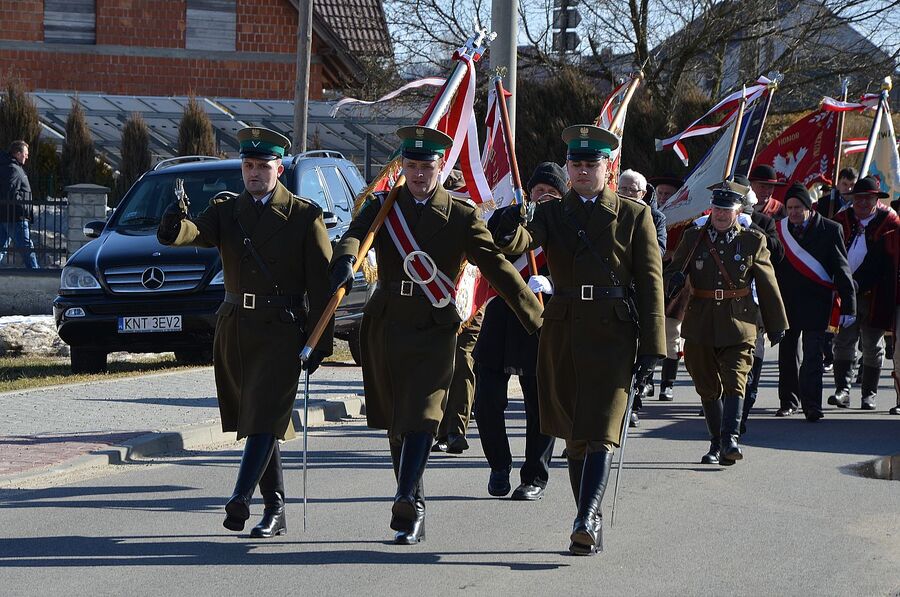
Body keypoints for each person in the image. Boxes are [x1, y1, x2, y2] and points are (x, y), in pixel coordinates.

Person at [328, 125, 543, 545]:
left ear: (440, 166)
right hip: (387, 323)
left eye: (426, 167)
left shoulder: (462, 216)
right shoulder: (384, 204)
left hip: (435, 325)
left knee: (424, 415)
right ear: (402, 167)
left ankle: (406, 496)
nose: (419, 174)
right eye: (411, 166)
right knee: (396, 423)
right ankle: (414, 509)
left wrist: (537, 320)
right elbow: (355, 234)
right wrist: (345, 258)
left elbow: (498, 268)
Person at [491, 124, 665, 555]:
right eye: (577, 164)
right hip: (563, 330)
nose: (584, 171)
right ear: (568, 167)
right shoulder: (552, 212)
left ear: (608, 168)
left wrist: (653, 348)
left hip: (613, 332)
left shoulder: (634, 215)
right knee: (574, 434)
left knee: (602, 429)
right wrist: (510, 219)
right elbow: (519, 242)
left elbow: (650, 282)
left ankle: (585, 517)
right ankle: (588, 513)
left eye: (592, 164)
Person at [157, 126, 333, 538]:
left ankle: (241, 498)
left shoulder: (305, 216)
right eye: (248, 165)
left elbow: (322, 284)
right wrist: (172, 224)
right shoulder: (227, 209)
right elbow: (196, 233)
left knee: (264, 417)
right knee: (259, 419)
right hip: (236, 329)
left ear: (279, 169)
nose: (254, 173)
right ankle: (276, 507)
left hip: (282, 330)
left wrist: (318, 342)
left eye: (263, 166)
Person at [665, 183, 787, 466]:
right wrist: (672, 279)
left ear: (738, 210)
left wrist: (775, 322)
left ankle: (730, 439)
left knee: (735, 381)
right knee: (707, 386)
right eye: (717, 208)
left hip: (739, 322)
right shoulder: (694, 237)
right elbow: (676, 267)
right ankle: (716, 441)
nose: (721, 214)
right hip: (700, 323)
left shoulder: (752, 241)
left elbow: (767, 283)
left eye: (726, 209)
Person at [474, 161, 567, 501]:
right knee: (486, 401)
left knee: (539, 404)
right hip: (502, 314)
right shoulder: (513, 217)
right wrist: (515, 212)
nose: (545, 198)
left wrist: (553, 284)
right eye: (540, 192)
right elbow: (497, 236)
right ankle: (499, 465)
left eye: (553, 193)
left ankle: (535, 477)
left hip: (542, 319)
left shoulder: (567, 226)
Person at [774, 183, 856, 421]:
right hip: (787, 302)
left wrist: (848, 305)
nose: (793, 212)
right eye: (789, 207)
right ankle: (788, 402)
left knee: (812, 357)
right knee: (787, 355)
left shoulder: (830, 229)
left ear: (808, 207)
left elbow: (842, 269)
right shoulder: (780, 230)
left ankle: (812, 405)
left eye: (798, 207)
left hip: (817, 303)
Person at [828, 176, 900, 411]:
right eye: (858, 198)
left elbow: (887, 262)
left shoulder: (889, 222)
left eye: (867, 198)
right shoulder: (842, 219)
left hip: (877, 293)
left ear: (876, 200)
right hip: (845, 292)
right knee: (843, 341)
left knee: (872, 344)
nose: (862, 203)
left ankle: (869, 394)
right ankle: (843, 390)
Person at [432, 170, 481, 455]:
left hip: (469, 300)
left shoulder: (471, 210)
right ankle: (436, 426)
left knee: (462, 362)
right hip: (436, 298)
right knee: (440, 363)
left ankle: (456, 429)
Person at [618, 169, 666, 422]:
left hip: (640, 293)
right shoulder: (611, 213)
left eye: (632, 190)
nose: (626, 194)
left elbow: (656, 252)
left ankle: (633, 401)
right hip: (616, 293)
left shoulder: (655, 218)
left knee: (639, 350)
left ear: (644, 193)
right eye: (622, 189)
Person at [651, 174, 687, 402]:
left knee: (672, 334)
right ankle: (646, 382)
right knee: (650, 332)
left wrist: (674, 255)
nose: (663, 197)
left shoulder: (687, 220)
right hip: (653, 280)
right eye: (660, 193)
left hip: (675, 285)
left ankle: (668, 383)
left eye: (668, 194)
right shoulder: (649, 216)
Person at [0, 140, 39, 269]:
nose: (27, 156)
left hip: (5, 216)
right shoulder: (14, 169)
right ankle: (36, 276)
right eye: (25, 154)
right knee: (27, 249)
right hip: (16, 218)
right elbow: (8, 192)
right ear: (17, 154)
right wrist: (22, 207)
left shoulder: (8, 166)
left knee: (1, 248)